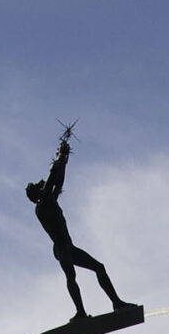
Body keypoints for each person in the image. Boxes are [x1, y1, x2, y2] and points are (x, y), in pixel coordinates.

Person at [26, 127, 130, 322]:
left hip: (68, 246)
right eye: (38, 185)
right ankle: (80, 312)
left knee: (99, 267)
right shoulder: (43, 206)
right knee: (71, 277)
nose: (41, 184)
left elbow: (58, 182)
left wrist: (64, 161)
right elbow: (51, 181)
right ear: (36, 194)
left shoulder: (50, 199)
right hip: (61, 248)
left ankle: (116, 303)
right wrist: (58, 159)